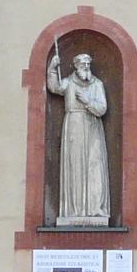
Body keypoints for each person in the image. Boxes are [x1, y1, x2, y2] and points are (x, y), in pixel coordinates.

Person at [47, 48, 111, 226]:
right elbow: (54, 87)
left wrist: (87, 101)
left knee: (94, 165)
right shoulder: (68, 82)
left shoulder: (97, 84)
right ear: (76, 67)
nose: (86, 67)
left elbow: (102, 108)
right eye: (82, 64)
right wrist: (53, 68)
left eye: (88, 64)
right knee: (75, 165)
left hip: (92, 126)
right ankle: (74, 210)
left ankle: (94, 209)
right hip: (74, 126)